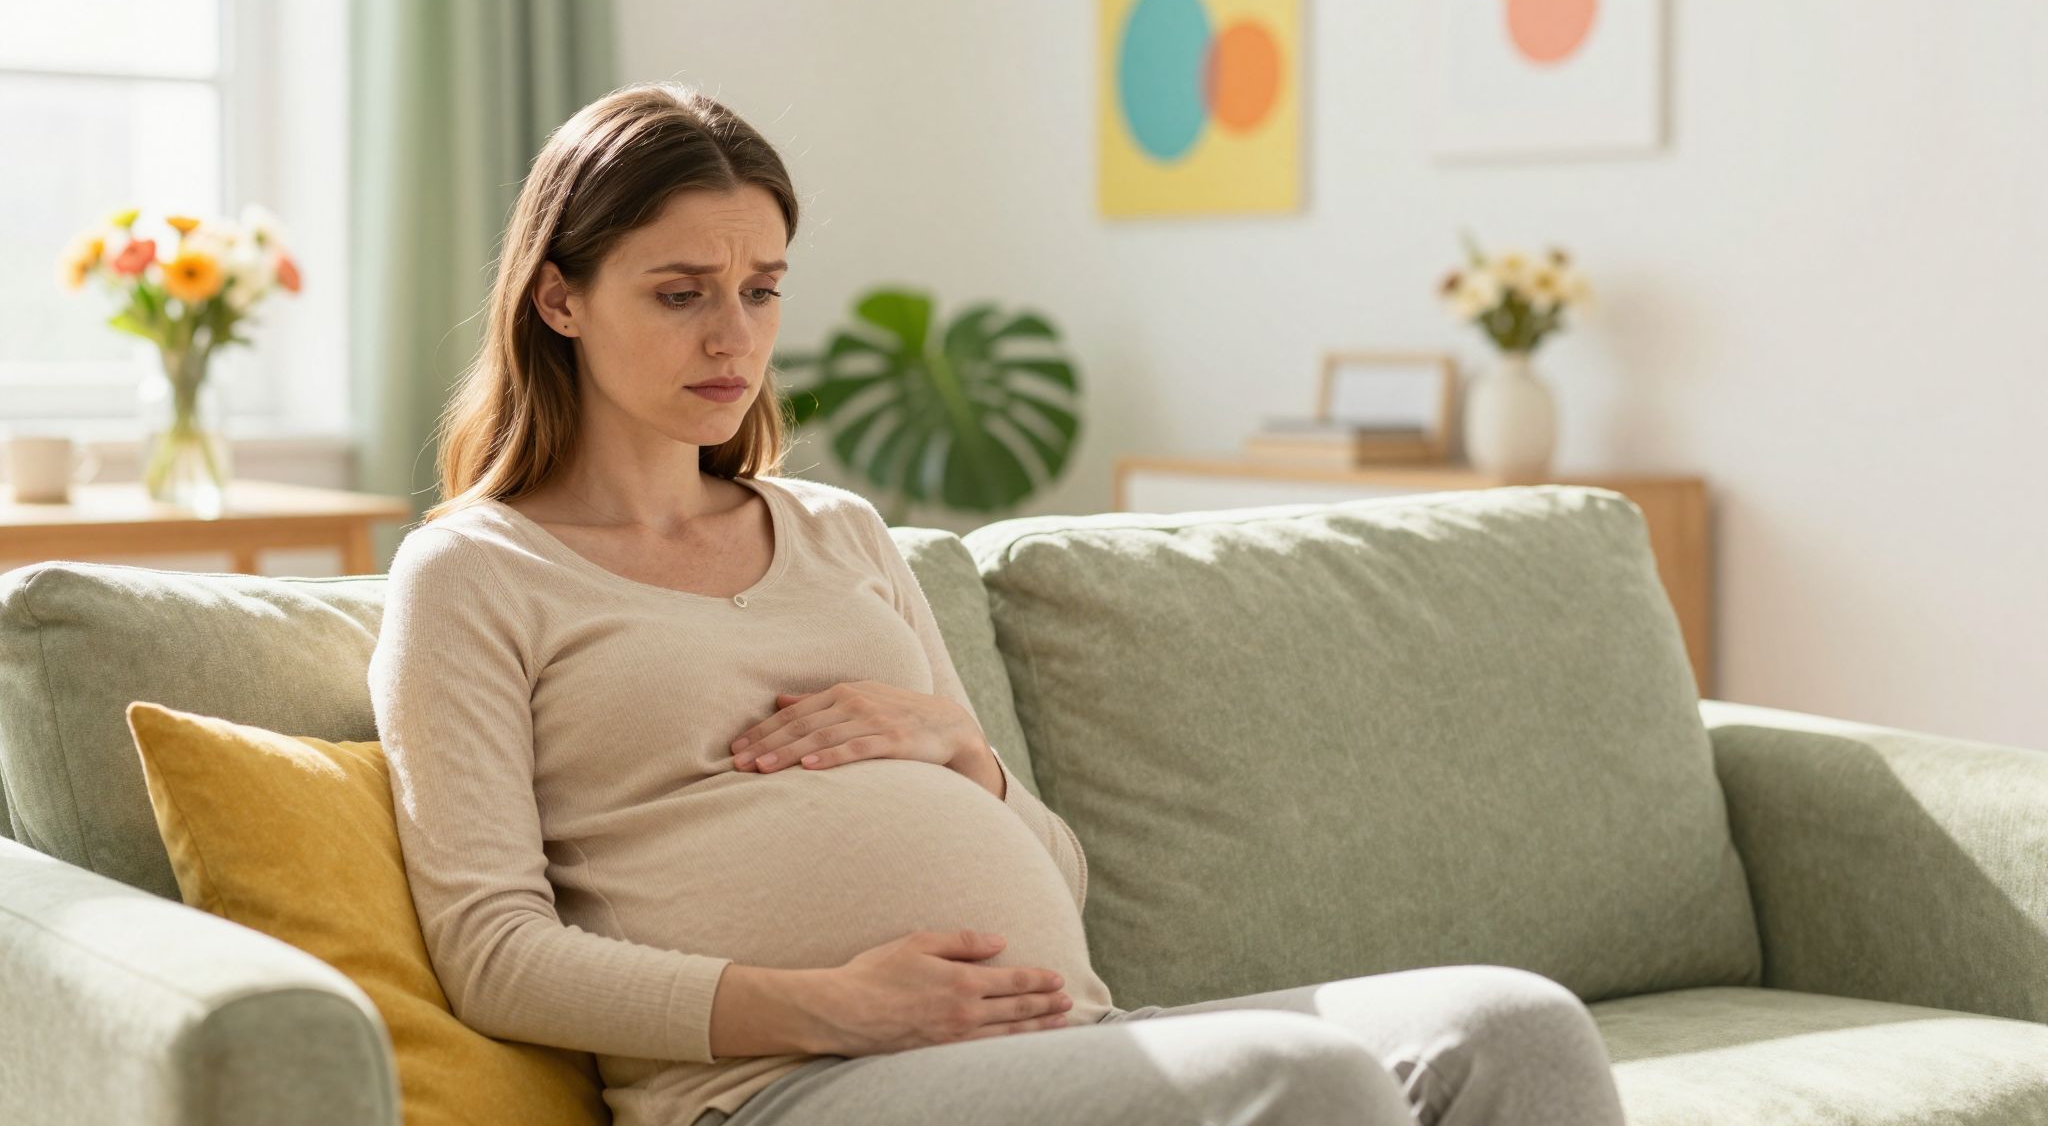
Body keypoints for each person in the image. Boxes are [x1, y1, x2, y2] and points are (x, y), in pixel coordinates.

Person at [366, 80, 1629, 1126]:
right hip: (785, 1084)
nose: (733, 339)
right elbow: (492, 952)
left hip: (1064, 1038)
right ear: (559, 297)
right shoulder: (477, 573)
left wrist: (962, 754)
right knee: (1300, 1081)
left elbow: (1058, 876)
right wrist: (826, 1005)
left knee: (1511, 1025)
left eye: (762, 289)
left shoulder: (839, 533)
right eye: (679, 291)